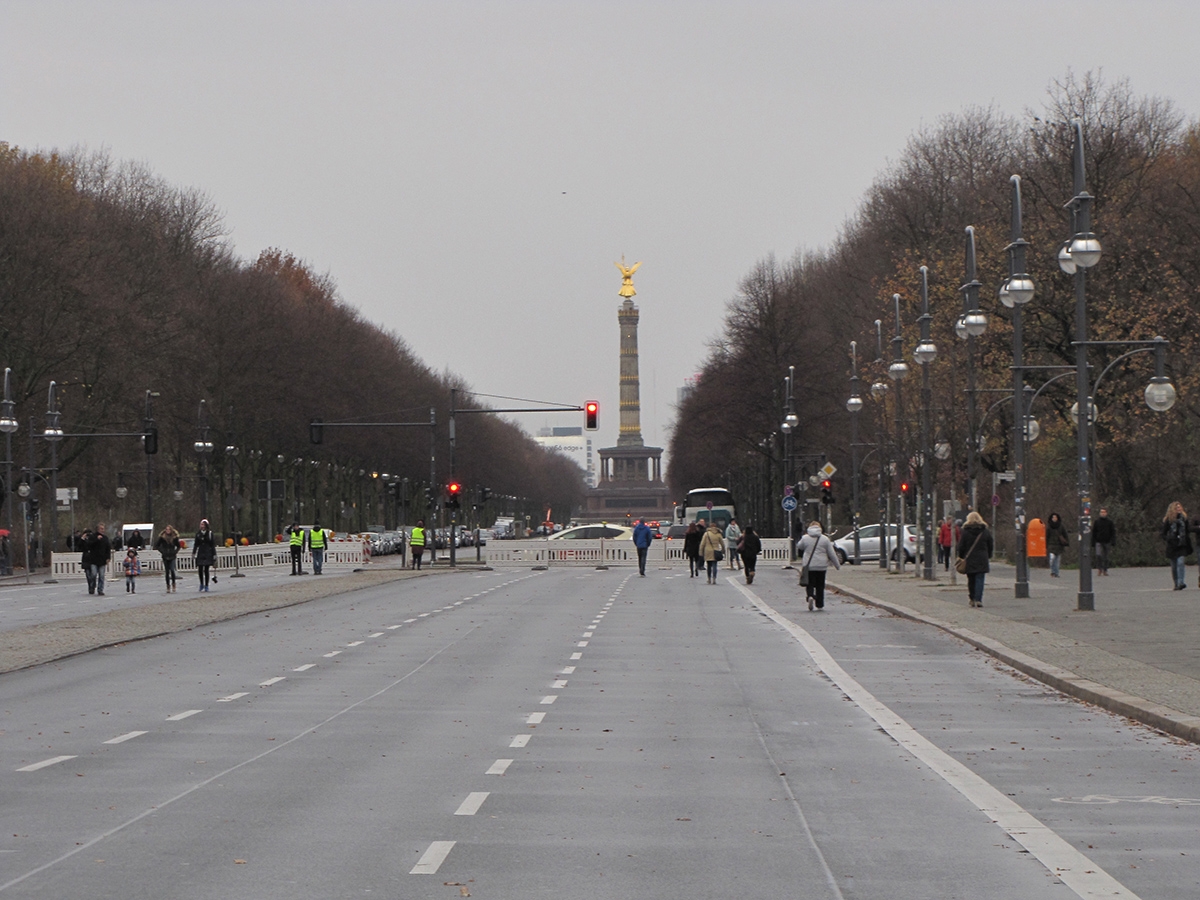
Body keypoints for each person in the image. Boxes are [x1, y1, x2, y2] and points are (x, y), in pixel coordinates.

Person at [795, 520, 840, 611]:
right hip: (821, 566)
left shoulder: (805, 538)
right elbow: (831, 553)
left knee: (810, 583)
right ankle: (819, 603)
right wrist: (837, 565)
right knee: (820, 585)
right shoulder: (825, 539)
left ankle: (810, 596)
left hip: (809, 565)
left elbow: (799, 546)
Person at [957, 510, 993, 607]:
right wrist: (989, 555)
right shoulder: (985, 531)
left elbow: (961, 546)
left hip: (970, 559)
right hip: (982, 558)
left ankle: (972, 598)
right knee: (980, 579)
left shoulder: (965, 532)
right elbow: (990, 544)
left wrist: (961, 556)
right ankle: (978, 599)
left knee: (971, 579)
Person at [1161, 501, 1191, 590]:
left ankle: (1181, 582)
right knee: (1174, 566)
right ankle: (1176, 583)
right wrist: (1169, 539)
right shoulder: (1168, 520)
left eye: (1180, 507)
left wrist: (1185, 539)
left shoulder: (1184, 519)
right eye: (1177, 507)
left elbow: (1188, 530)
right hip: (1172, 546)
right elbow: (1163, 533)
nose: (1179, 509)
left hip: (1182, 544)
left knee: (1180, 563)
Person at [84, 523, 112, 596]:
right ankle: (92, 586)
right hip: (93, 559)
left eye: (103, 529)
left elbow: (108, 548)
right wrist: (97, 540)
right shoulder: (92, 537)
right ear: (98, 529)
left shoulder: (105, 538)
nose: (103, 530)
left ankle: (100, 590)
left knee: (101, 576)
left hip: (102, 560)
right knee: (93, 574)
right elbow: (89, 545)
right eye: (101, 529)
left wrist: (108, 557)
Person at [155, 524, 182, 593]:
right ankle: (168, 586)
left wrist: (175, 552)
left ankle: (173, 584)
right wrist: (162, 551)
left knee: (172, 570)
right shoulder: (162, 538)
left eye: (169, 529)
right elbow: (157, 545)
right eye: (166, 529)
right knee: (167, 571)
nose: (168, 531)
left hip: (172, 556)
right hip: (165, 556)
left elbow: (178, 546)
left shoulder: (174, 538)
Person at [193, 518, 217, 592]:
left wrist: (214, 554)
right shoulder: (198, 534)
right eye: (201, 524)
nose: (201, 526)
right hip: (201, 552)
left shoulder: (210, 533)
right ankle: (201, 584)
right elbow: (196, 544)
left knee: (206, 569)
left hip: (208, 552)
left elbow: (212, 545)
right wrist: (194, 552)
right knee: (200, 569)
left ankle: (206, 585)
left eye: (203, 524)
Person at [1092, 508, 1116, 576]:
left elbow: (1113, 532)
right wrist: (1093, 542)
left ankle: (1105, 570)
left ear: (1106, 513)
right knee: (1098, 555)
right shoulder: (1097, 522)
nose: (1103, 513)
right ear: (1100, 513)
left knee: (1106, 556)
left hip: (1107, 541)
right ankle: (1099, 569)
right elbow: (1094, 532)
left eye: (1104, 512)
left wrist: (1113, 541)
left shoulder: (1110, 522)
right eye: (1102, 512)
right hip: (1098, 541)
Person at [1045, 513, 1069, 577]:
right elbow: (1046, 537)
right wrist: (1046, 545)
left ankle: (1056, 573)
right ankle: (1053, 571)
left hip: (1059, 545)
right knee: (1052, 559)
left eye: (1055, 517)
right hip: (1051, 545)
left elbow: (1065, 534)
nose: (1054, 518)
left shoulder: (1061, 526)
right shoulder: (1049, 527)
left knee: (1057, 561)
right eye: (1053, 517)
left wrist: (1066, 542)